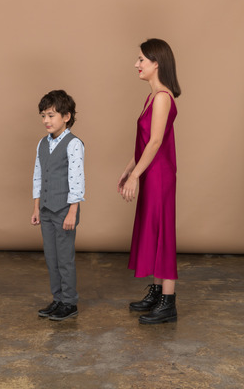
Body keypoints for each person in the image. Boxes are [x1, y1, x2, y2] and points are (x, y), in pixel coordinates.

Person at [117, 38, 181, 324]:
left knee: (163, 232)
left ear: (157, 63)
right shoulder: (152, 97)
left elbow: (155, 142)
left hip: (160, 175)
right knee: (154, 231)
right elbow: (146, 144)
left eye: (141, 59)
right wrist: (128, 169)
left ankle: (168, 302)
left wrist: (135, 175)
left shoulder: (163, 97)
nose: (137, 64)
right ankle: (157, 292)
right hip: (150, 172)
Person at [31, 90, 85, 321]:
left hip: (64, 211)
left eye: (51, 115)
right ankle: (57, 299)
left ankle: (69, 302)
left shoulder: (74, 145)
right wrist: (36, 208)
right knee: (51, 258)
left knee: (64, 259)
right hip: (45, 209)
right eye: (43, 115)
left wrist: (72, 211)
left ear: (66, 116)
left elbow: (77, 180)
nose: (46, 120)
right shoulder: (42, 144)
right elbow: (37, 176)